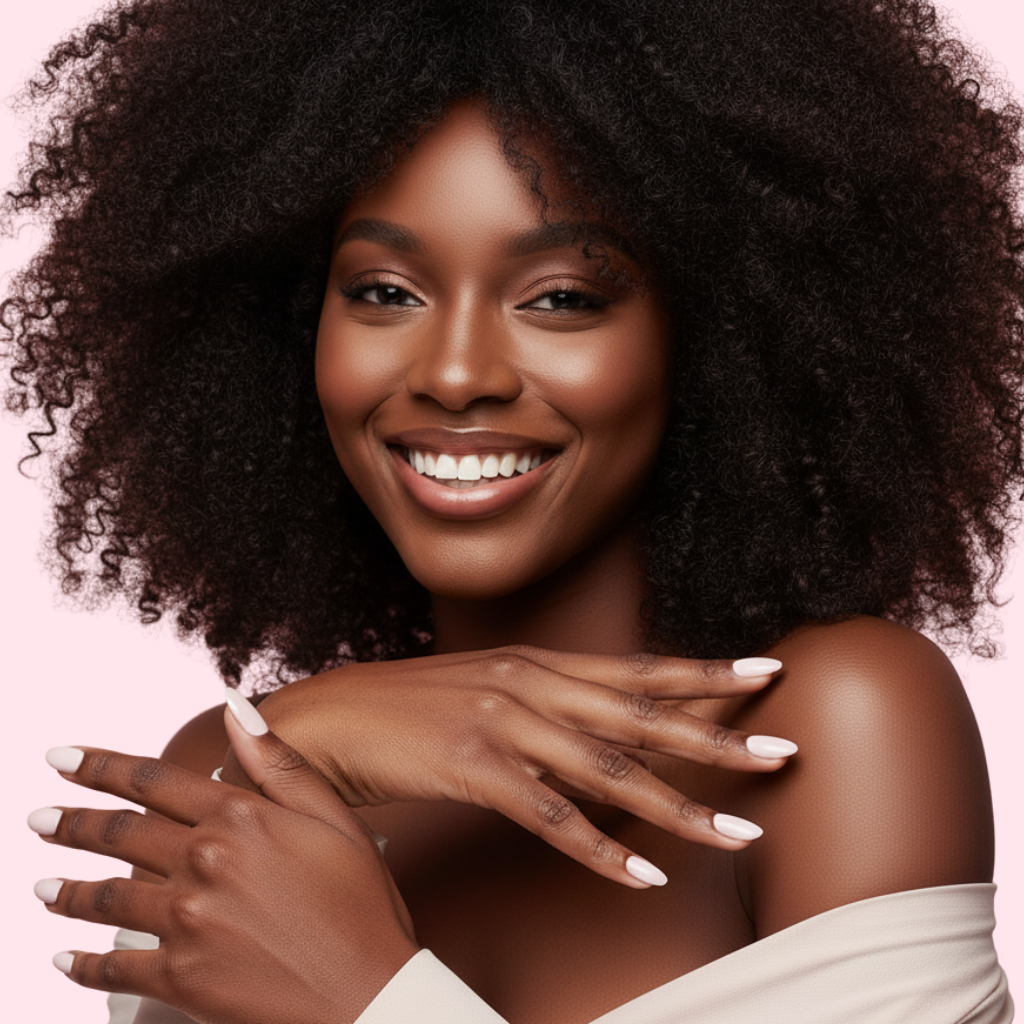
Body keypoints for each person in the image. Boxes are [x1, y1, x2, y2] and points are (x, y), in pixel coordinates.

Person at [7, 0, 1017, 1021]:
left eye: (563, 298)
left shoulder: (827, 724)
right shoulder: (235, 775)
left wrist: (365, 997)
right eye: (385, 291)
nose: (453, 373)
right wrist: (295, 735)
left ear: (716, 336)